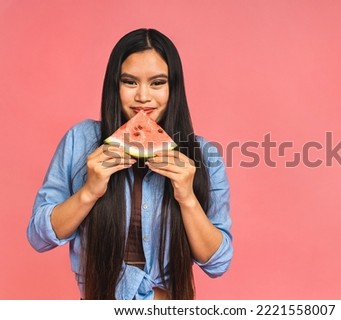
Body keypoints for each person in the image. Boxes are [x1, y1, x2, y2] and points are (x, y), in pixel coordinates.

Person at [27, 28, 233, 300]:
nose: (143, 97)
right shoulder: (81, 139)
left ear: (174, 88)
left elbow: (218, 262)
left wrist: (187, 198)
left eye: (157, 83)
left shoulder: (204, 155)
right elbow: (38, 237)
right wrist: (89, 192)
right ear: (115, 85)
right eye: (130, 82)